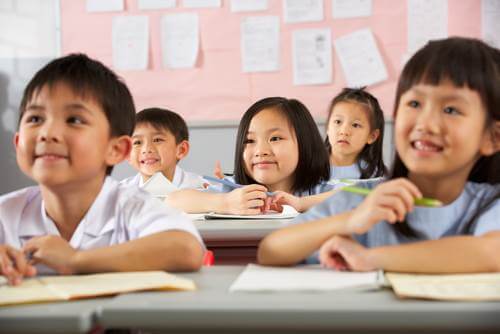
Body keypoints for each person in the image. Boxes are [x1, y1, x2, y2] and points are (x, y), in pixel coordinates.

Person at [258, 37, 500, 273]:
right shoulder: (362, 198)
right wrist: (350, 220)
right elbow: (271, 250)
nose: (426, 123)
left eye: (451, 109)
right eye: (415, 104)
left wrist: (371, 258)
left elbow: (492, 252)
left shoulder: (490, 204)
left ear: (492, 138)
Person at [0, 54, 204, 285]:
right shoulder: (6, 213)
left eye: (74, 120)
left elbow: (186, 248)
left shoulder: (131, 207)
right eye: (35, 118)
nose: (48, 133)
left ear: (116, 149)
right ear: (18, 143)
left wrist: (75, 260)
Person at [167, 97, 334, 214]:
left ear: (305, 143)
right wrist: (225, 203)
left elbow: (358, 196)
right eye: (249, 140)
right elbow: (172, 201)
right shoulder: (233, 190)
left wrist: (300, 204)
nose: (261, 150)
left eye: (275, 138)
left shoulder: (318, 189)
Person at [122, 107, 206, 190]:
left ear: (181, 150)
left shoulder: (200, 188)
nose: (146, 149)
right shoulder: (120, 192)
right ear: (127, 154)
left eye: (157, 140)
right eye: (137, 142)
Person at [325, 87, 386, 180]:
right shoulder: (308, 167)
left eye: (355, 125)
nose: (344, 131)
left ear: (372, 136)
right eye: (338, 122)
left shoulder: (375, 176)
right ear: (328, 128)